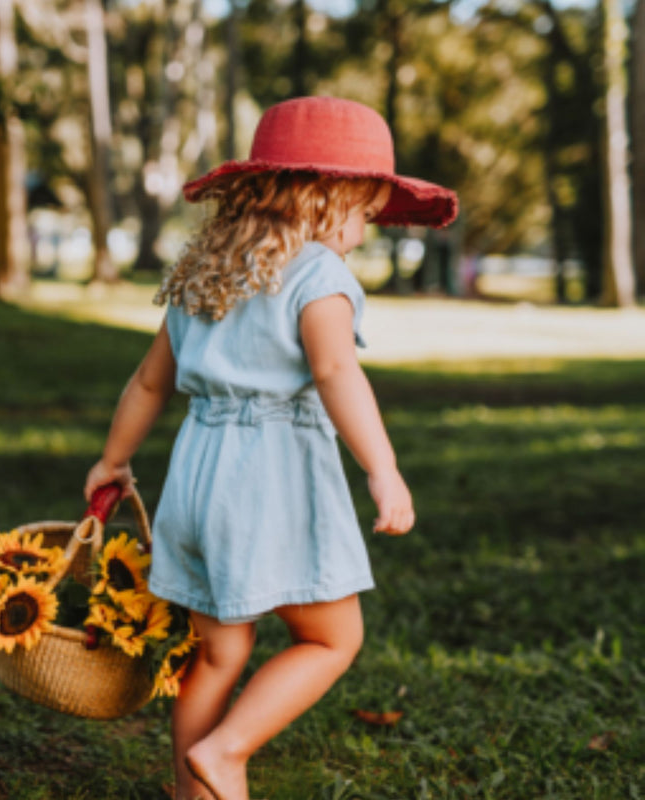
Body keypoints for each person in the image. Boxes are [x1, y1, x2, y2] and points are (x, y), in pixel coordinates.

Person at [84, 96, 458, 800]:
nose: (362, 232)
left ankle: (196, 792)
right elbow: (335, 371)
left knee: (219, 651)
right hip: (270, 484)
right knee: (332, 640)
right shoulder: (319, 275)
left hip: (195, 483)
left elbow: (147, 382)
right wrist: (384, 469)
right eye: (364, 214)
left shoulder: (203, 274)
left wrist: (113, 461)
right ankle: (226, 752)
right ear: (326, 196)